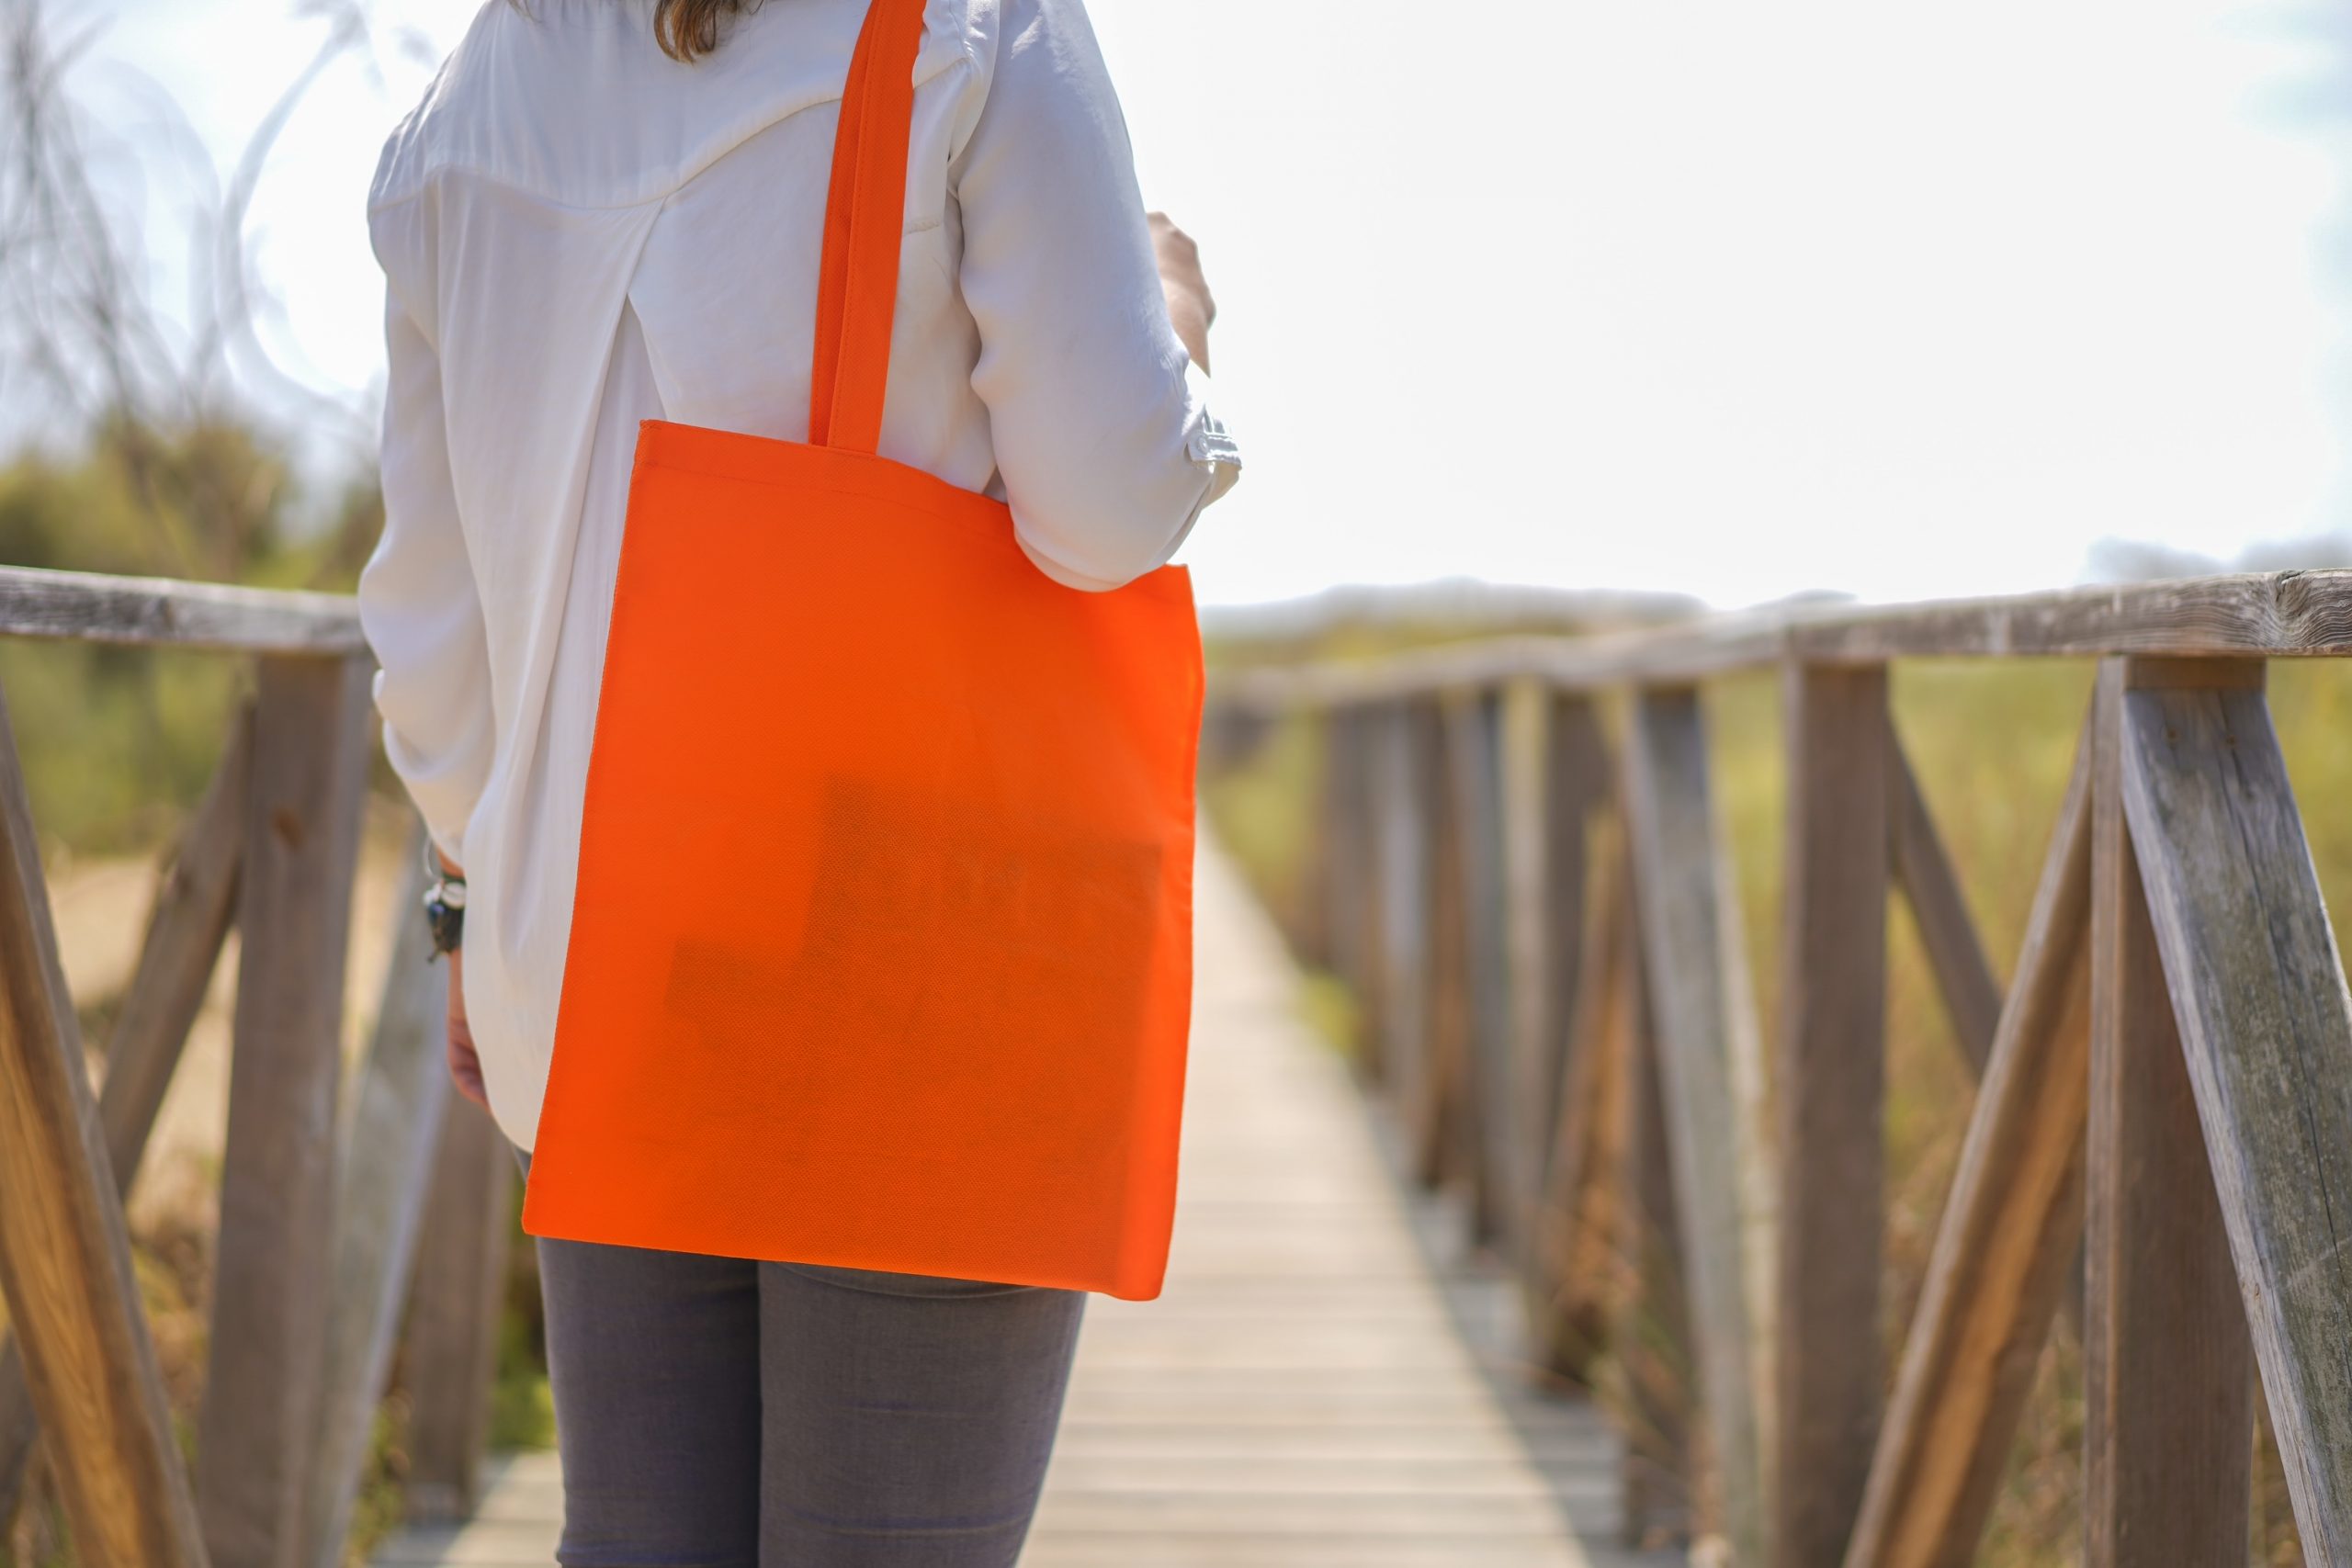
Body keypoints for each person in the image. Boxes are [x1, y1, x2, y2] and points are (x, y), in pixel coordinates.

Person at [356, 0, 1238, 1561]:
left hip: (599, 978)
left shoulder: (468, 105)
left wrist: (466, 917)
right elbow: (1105, 506)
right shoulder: (971, 29)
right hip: (907, 967)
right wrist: (1170, 309)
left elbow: (436, 638)